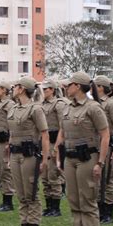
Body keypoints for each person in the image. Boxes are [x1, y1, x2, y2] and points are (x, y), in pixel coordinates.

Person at [55, 71, 109, 226]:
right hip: (70, 158)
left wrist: (100, 163)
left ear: (77, 86)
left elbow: (105, 135)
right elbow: (63, 132)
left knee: (87, 200)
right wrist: (58, 153)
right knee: (73, 199)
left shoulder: (93, 107)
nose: (66, 87)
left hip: (88, 158)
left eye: (69, 84)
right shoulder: (67, 107)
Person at [7, 77, 49, 226]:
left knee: (31, 193)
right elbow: (12, 133)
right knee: (21, 194)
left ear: (22, 89)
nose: (13, 89)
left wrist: (45, 158)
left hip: (29, 155)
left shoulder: (35, 109)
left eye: (15, 86)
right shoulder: (14, 108)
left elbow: (44, 134)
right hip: (15, 154)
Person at [94, 75, 113, 224]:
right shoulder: (95, 103)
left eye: (95, 85)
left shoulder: (111, 104)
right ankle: (100, 209)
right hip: (97, 145)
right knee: (98, 179)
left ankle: (108, 213)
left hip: (109, 144)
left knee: (109, 179)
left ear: (101, 87)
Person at [40, 79, 69, 217]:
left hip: (54, 141)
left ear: (52, 90)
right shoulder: (41, 104)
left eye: (46, 89)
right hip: (44, 142)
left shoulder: (59, 104)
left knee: (53, 176)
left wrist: (57, 146)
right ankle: (49, 206)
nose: (43, 91)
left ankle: (55, 208)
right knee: (44, 176)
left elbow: (62, 127)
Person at [0, 81, 16, 211]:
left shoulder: (10, 104)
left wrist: (10, 141)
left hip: (5, 140)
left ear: (5, 90)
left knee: (6, 170)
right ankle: (4, 196)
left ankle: (8, 200)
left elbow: (12, 122)